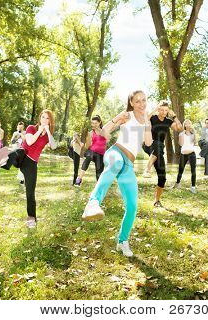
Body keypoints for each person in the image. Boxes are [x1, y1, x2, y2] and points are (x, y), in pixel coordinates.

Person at [81, 90, 153, 257]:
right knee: (116, 163)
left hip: (129, 165)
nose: (141, 104)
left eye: (144, 100)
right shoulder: (127, 115)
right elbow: (103, 132)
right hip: (116, 153)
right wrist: (116, 119)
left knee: (132, 206)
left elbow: (148, 143)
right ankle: (93, 202)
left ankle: (122, 241)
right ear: (132, 103)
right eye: (137, 101)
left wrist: (148, 125)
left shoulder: (146, 120)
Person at [0, 110, 57, 228]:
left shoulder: (47, 134)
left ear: (50, 121)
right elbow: (30, 141)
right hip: (22, 156)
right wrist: (40, 130)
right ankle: (3, 160)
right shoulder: (32, 128)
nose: (44, 120)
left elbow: (54, 146)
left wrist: (47, 131)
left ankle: (31, 218)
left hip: (31, 163)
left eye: (47, 118)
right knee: (18, 151)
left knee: (30, 193)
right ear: (39, 118)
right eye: (43, 117)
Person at [142, 100, 183, 207]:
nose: (164, 112)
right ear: (159, 109)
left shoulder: (168, 121)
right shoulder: (153, 118)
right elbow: (144, 120)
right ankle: (147, 169)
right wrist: (155, 109)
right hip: (148, 144)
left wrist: (174, 117)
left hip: (158, 149)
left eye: (166, 110)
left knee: (162, 176)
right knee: (158, 145)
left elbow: (180, 128)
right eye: (162, 110)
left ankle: (157, 201)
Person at [74, 115, 107, 187]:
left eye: (95, 123)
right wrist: (86, 140)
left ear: (99, 123)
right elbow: (88, 145)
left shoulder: (104, 131)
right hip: (91, 151)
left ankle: (99, 185)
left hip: (100, 154)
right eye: (92, 123)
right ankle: (78, 180)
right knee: (88, 158)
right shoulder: (91, 133)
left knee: (99, 172)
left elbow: (107, 138)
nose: (94, 125)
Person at [172, 119, 197, 194]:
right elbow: (181, 144)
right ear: (184, 125)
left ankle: (193, 187)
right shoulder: (181, 134)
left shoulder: (193, 133)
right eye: (186, 124)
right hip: (184, 154)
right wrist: (182, 135)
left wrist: (194, 134)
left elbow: (195, 142)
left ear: (191, 124)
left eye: (189, 123)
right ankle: (177, 183)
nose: (188, 125)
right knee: (181, 169)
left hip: (192, 154)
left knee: (193, 170)